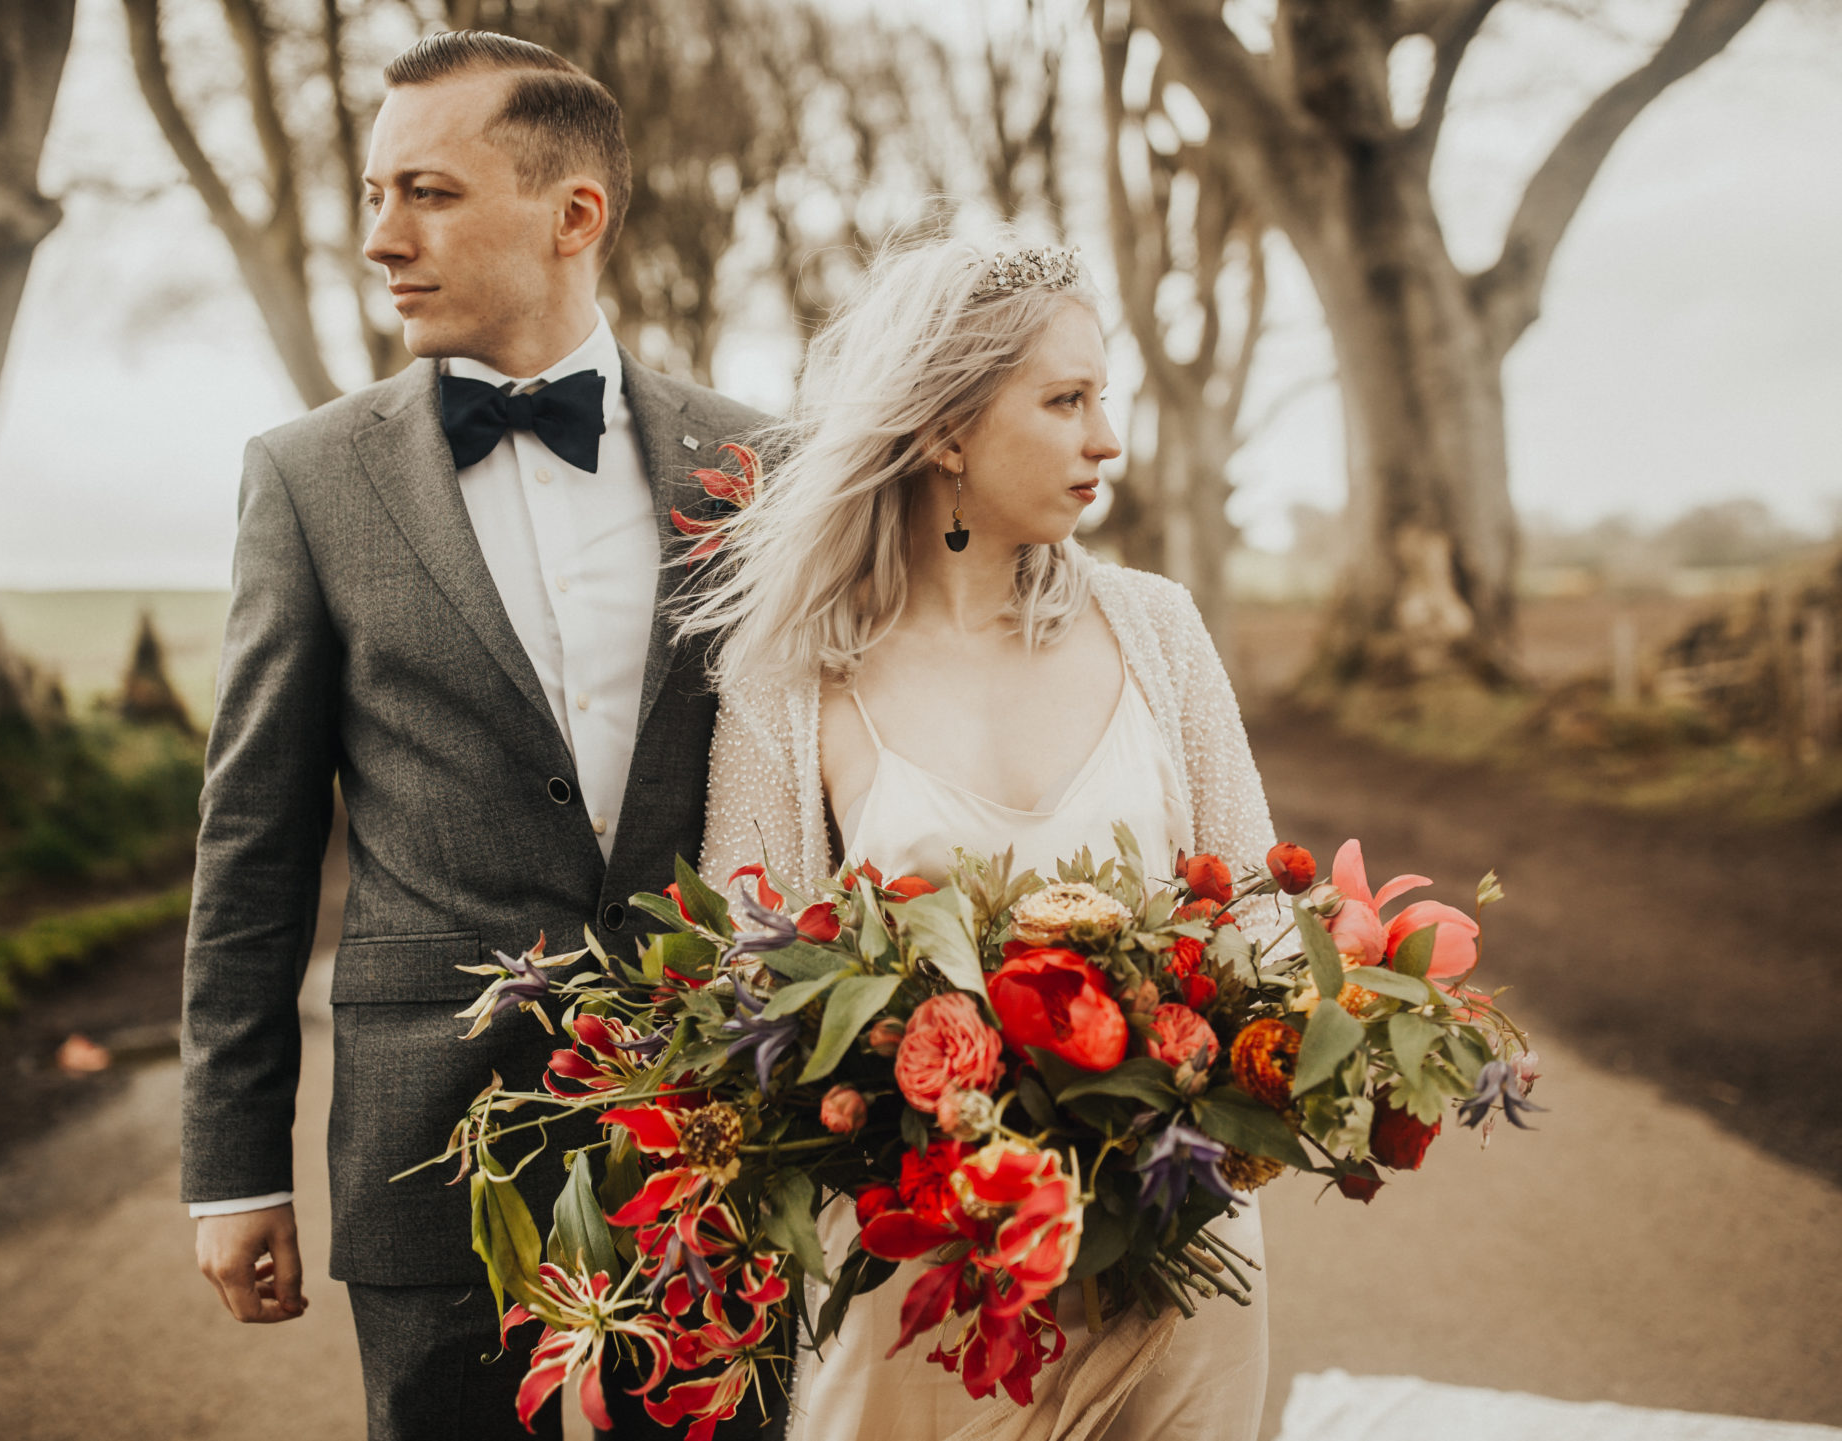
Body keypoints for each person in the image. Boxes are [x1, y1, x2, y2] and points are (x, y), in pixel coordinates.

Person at [177, 31, 770, 1441]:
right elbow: (254, 844)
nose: (382, 237)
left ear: (576, 216)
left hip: (715, 1125)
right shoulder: (311, 478)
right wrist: (231, 1164)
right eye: (377, 193)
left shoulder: (763, 468)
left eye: (427, 194)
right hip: (430, 1134)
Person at [686, 237, 1275, 1440]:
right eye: (1064, 401)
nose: (1104, 438)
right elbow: (736, 982)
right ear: (945, 429)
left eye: (1099, 398)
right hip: (928, 1289)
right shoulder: (789, 677)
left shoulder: (1154, 628)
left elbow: (1262, 913)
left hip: (1174, 1250)